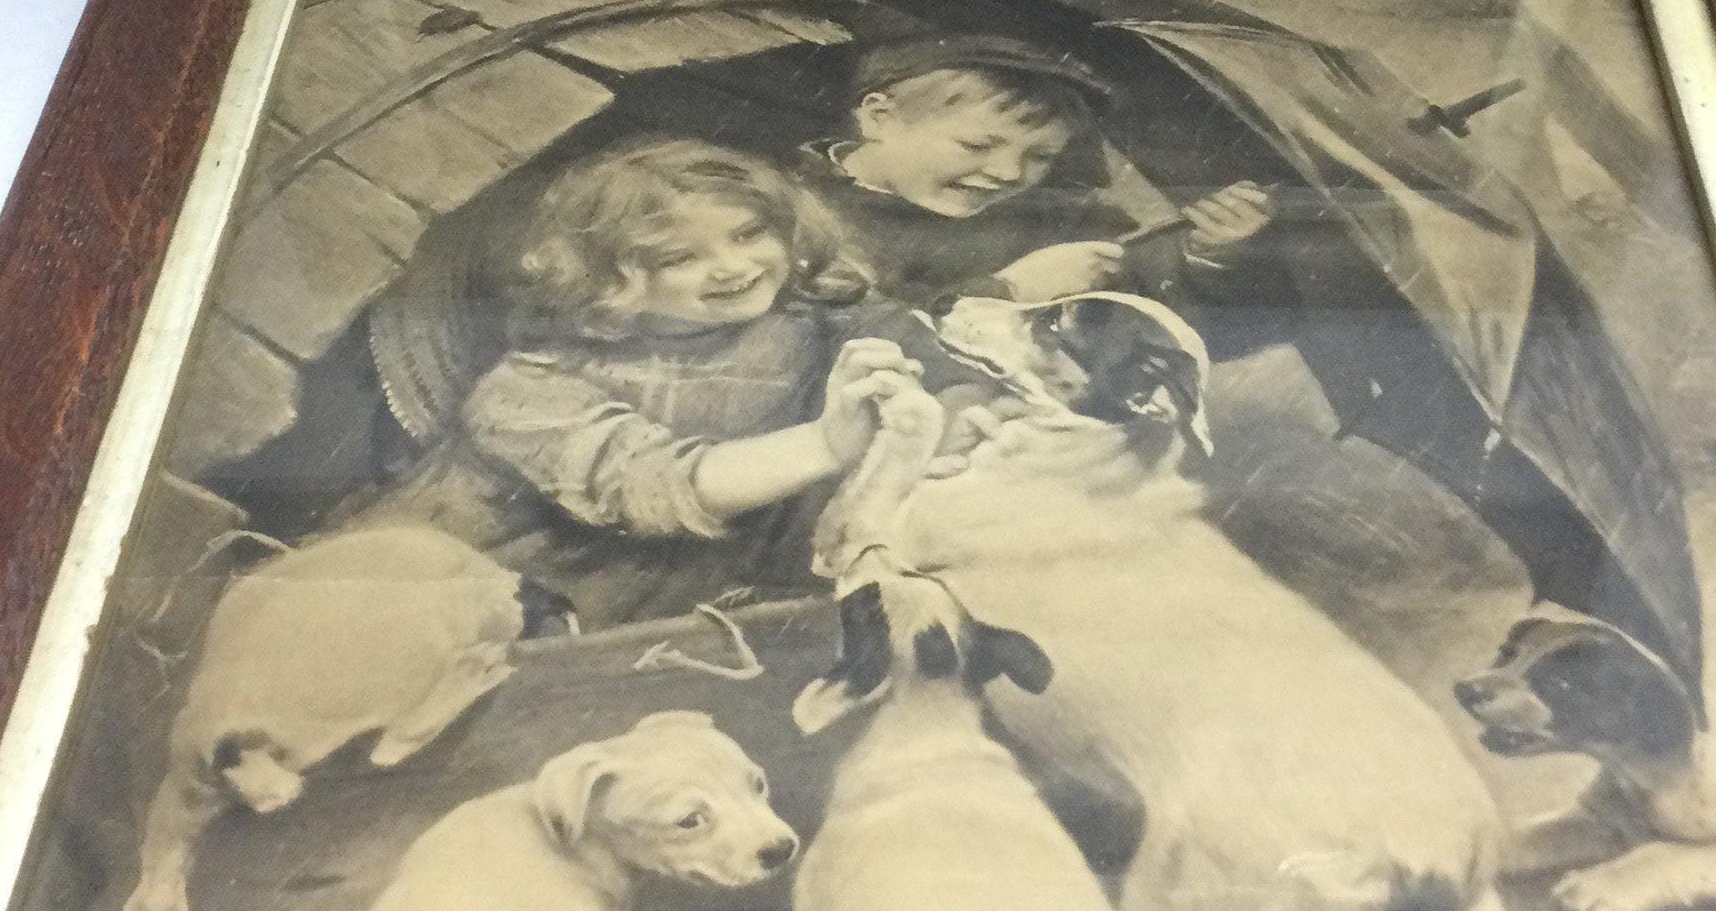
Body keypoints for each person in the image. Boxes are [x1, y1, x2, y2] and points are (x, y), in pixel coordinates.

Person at [365, 141, 922, 628]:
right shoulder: (527, 391)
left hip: (696, 584)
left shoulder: (803, 323)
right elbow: (658, 486)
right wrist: (825, 444)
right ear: (608, 279)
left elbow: (919, 355)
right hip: (502, 590)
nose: (732, 266)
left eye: (749, 233)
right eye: (678, 257)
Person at [799, 34, 1275, 308]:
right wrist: (1007, 291)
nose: (1010, 173)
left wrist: (1205, 255)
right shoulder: (789, 209)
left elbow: (1137, 301)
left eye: (1041, 156)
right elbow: (822, 340)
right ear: (880, 118)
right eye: (977, 145)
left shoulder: (1055, 218)